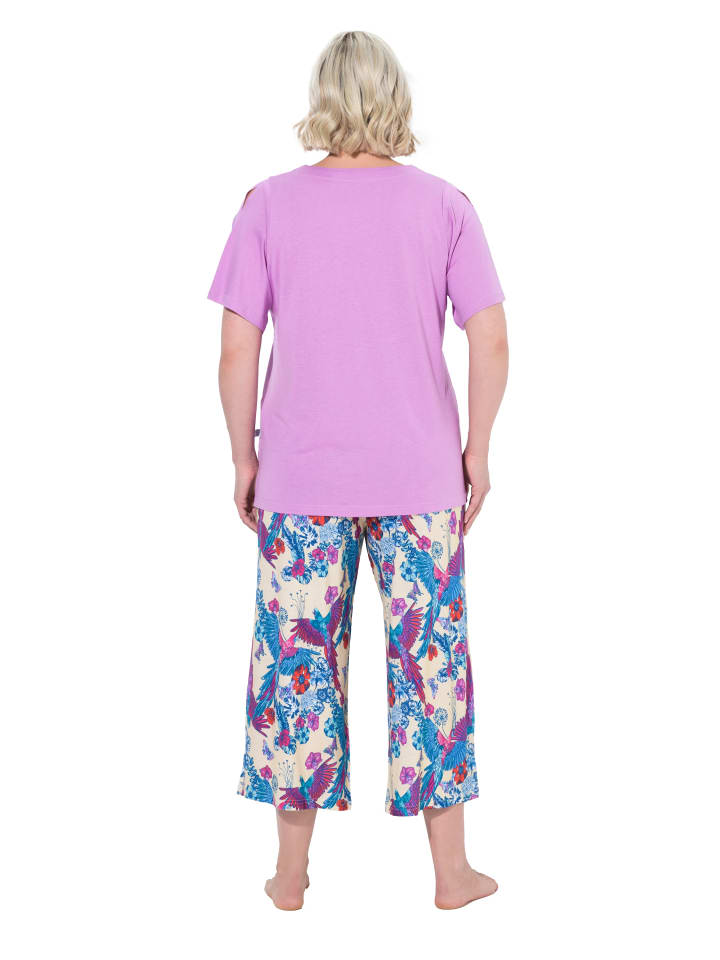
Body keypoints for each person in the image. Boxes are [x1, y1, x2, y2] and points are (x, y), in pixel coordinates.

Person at [208, 30, 508, 910]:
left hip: (301, 484)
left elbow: (236, 348)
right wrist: (478, 450)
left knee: (293, 674)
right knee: (431, 672)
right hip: (420, 482)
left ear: (323, 97)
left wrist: (243, 455)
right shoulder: (445, 205)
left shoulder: (267, 205)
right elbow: (490, 336)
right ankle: (451, 873)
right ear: (394, 98)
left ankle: (289, 875)